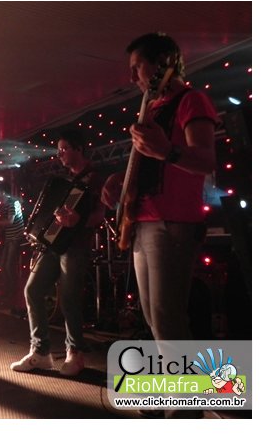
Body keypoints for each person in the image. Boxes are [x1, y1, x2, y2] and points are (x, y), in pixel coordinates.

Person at [101, 33, 217, 418]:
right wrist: (119, 181)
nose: (133, 76)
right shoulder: (153, 108)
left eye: (138, 66)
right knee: (155, 319)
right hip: (145, 221)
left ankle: (187, 409)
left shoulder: (191, 99)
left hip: (173, 221)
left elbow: (206, 160)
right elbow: (149, 162)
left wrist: (166, 150)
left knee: (167, 319)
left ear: (162, 62)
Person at [10, 129, 105, 376]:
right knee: (33, 290)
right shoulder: (63, 181)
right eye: (58, 150)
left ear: (79, 149)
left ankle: (76, 352)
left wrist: (78, 220)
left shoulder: (95, 178)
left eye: (64, 149)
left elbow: (101, 214)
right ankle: (40, 352)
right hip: (53, 245)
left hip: (76, 245)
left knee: (70, 297)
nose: (60, 154)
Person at [0, 180, 25, 315]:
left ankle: (12, 293)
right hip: (10, 238)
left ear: (3, 192)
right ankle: (8, 292)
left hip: (15, 238)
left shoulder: (13, 203)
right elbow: (7, 222)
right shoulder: (6, 204)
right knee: (4, 266)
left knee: (8, 266)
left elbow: (10, 221)